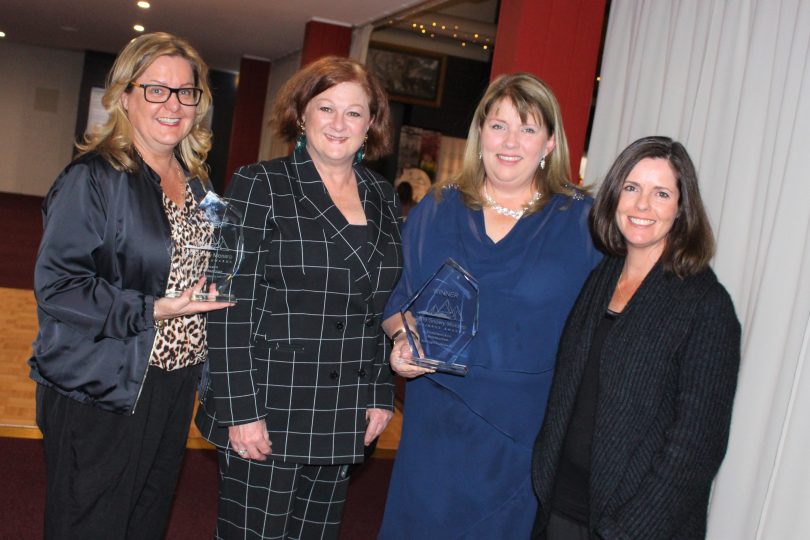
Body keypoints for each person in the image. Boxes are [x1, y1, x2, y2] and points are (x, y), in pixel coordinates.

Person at [378, 72, 602, 538]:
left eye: (527, 128)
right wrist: (401, 338)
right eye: (498, 125)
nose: (510, 141)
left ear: (549, 143)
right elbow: (398, 299)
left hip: (522, 433)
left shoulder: (582, 222)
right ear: (480, 133)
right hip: (436, 422)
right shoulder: (437, 209)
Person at [29, 32, 232, 539]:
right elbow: (58, 286)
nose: (173, 104)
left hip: (173, 383)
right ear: (124, 96)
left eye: (186, 92)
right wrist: (152, 309)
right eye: (156, 90)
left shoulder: (198, 183)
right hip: (104, 384)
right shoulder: (93, 178)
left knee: (144, 518)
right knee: (91, 523)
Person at [195, 56, 402, 539]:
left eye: (354, 112)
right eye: (325, 107)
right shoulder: (255, 183)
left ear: (371, 124)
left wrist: (378, 392)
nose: (338, 123)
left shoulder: (383, 196)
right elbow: (223, 306)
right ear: (301, 114)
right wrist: (240, 411)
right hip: (268, 407)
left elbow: (378, 306)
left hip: (344, 410)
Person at [531, 136, 741, 539]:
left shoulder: (706, 305)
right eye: (632, 188)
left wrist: (630, 528)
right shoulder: (601, 278)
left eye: (661, 193)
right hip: (562, 507)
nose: (642, 205)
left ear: (682, 209)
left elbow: (697, 447)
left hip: (634, 527)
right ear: (614, 197)